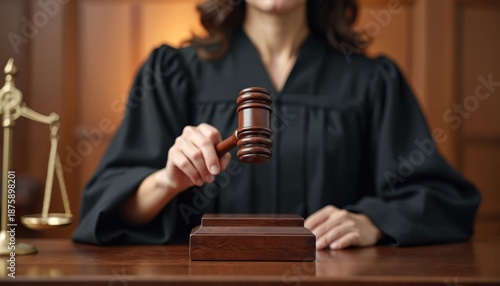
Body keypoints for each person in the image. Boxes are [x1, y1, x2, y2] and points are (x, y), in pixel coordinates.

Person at [72, 0, 480, 249]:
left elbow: (441, 197)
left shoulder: (372, 81)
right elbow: (107, 208)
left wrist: (373, 222)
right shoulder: (173, 72)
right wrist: (167, 181)